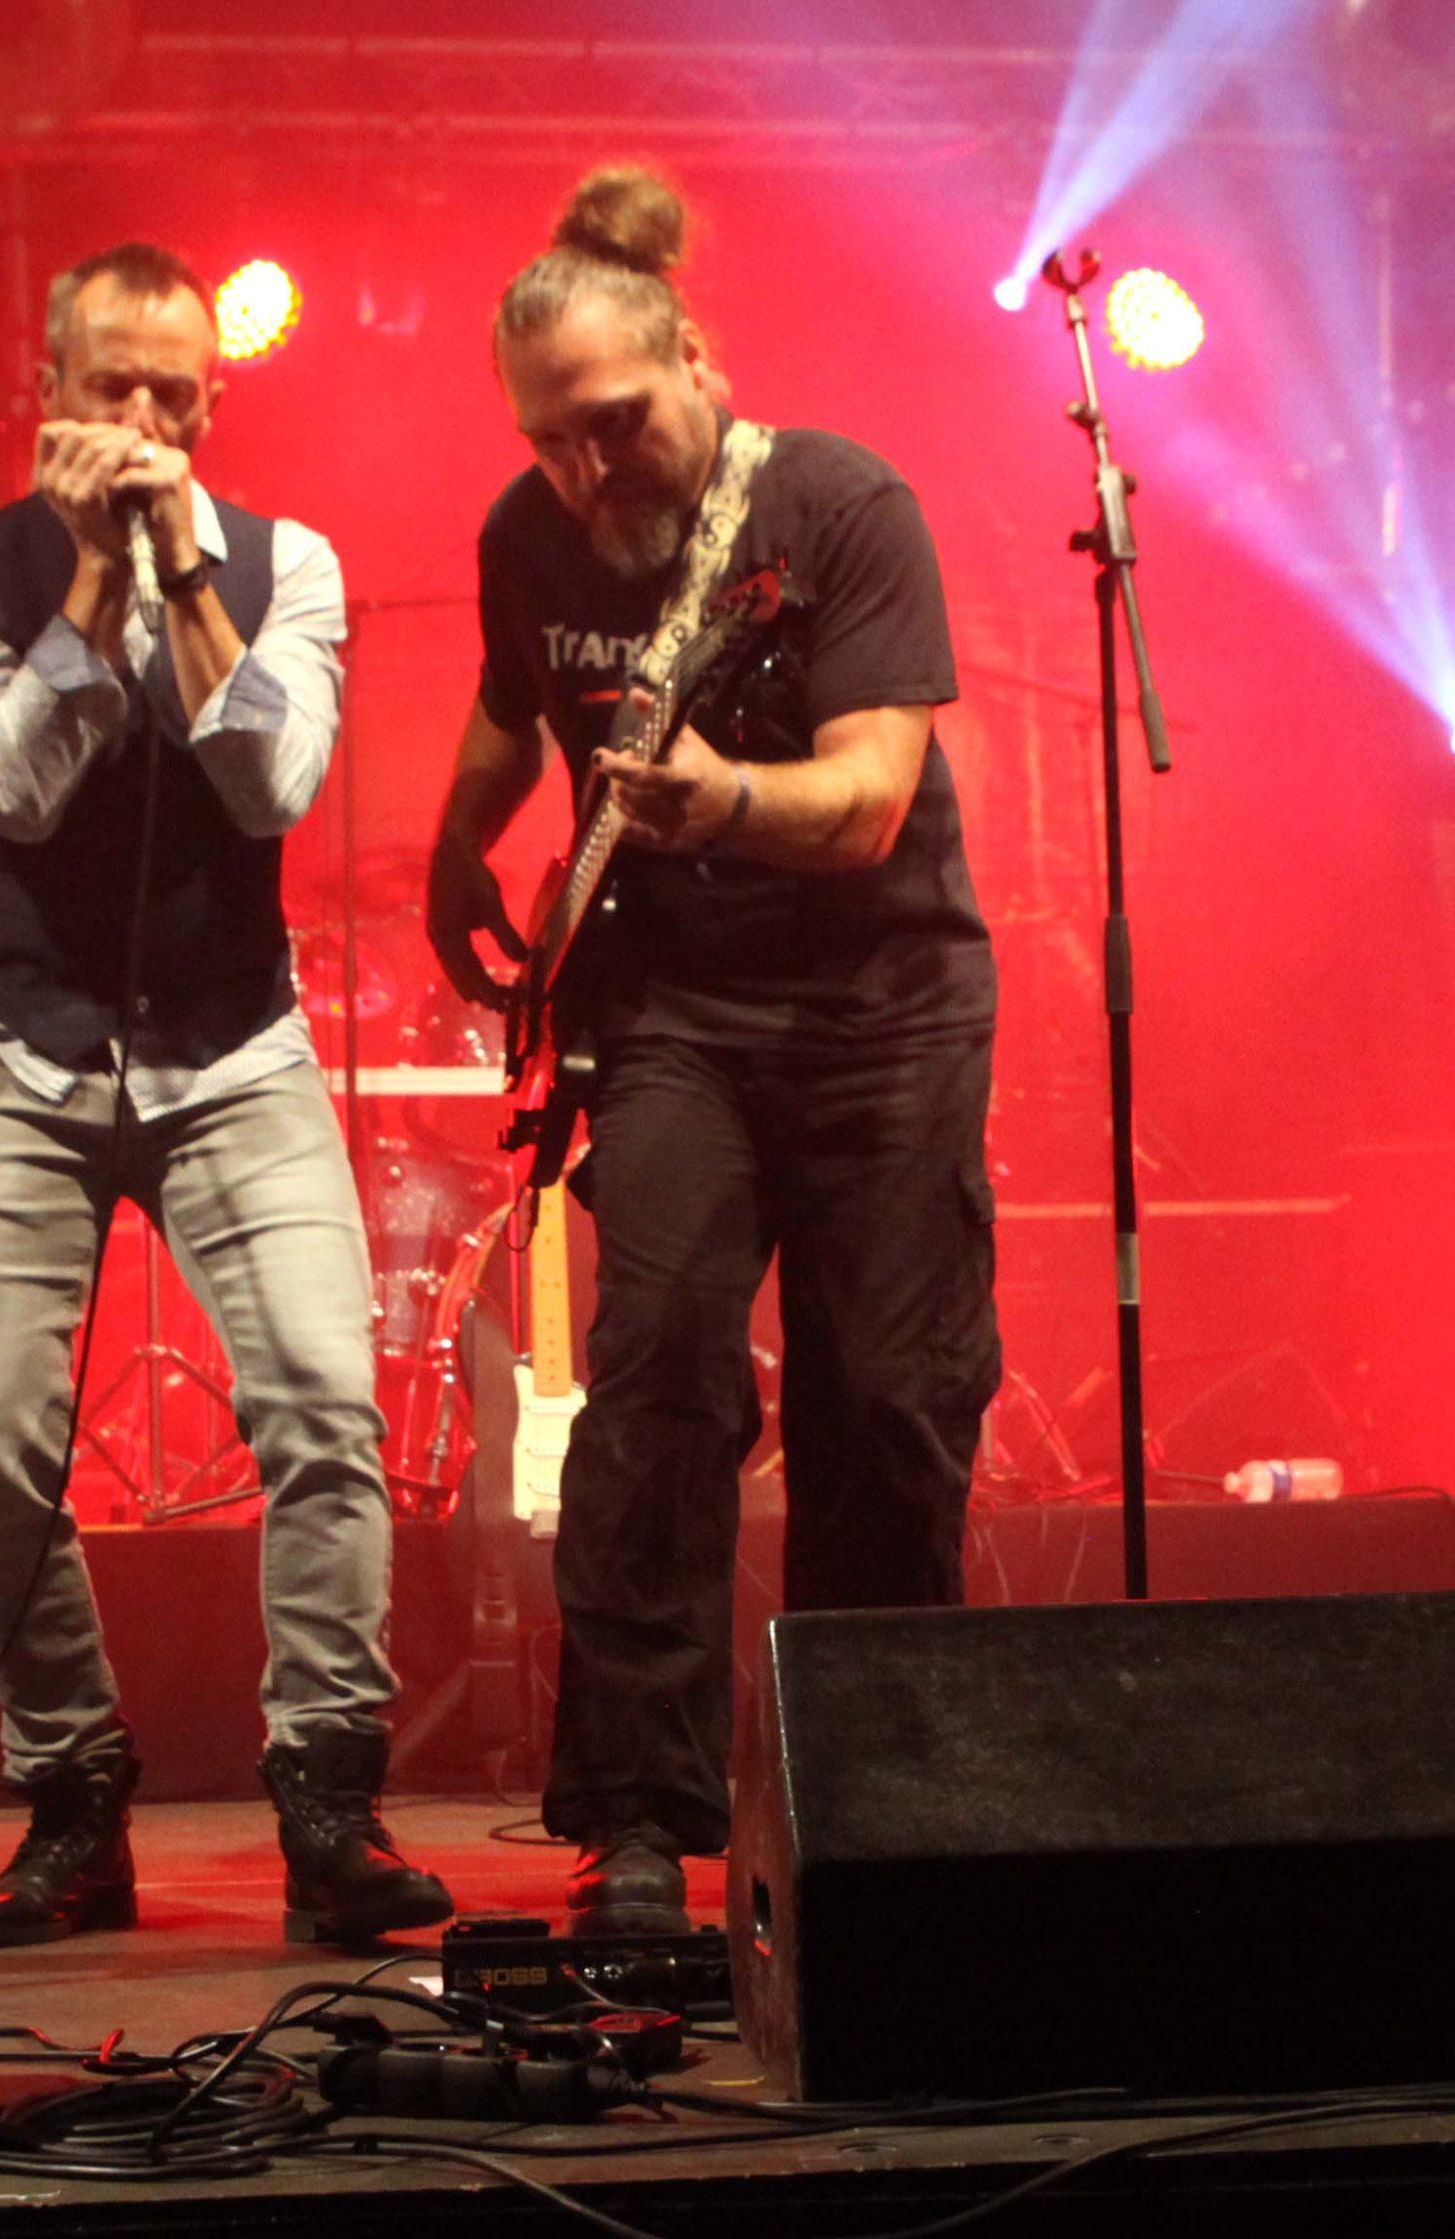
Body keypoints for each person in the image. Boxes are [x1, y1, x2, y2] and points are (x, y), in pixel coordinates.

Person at [426, 167, 1000, 1933]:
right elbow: (512, 704)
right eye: (550, 439)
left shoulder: (836, 505)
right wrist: (458, 843)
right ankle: (636, 1822)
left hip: (880, 1010)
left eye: (616, 421)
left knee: (882, 1402)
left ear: (698, 362)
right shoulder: (527, 534)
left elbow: (871, 796)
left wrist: (721, 799)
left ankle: (872, 1798)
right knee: (659, 1372)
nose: (589, 468)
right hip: (672, 1010)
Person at [0, 242, 453, 1948]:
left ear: (214, 401)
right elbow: (16, 789)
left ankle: (329, 1797)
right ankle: (73, 1802)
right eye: (109, 384)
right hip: (13, 1042)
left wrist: (185, 578)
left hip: (233, 1049)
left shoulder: (291, 564)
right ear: (47, 390)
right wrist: (87, 579)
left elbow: (272, 784)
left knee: (327, 1412)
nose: (140, 418)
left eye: (172, 391)